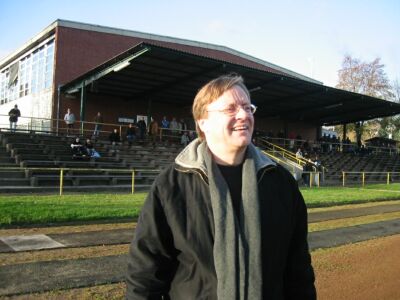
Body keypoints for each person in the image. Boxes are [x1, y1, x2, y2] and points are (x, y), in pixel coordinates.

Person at [126, 74, 316, 299]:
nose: (244, 115)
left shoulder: (282, 183)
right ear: (203, 122)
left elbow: (298, 271)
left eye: (248, 107)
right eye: (231, 109)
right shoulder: (171, 186)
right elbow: (145, 275)